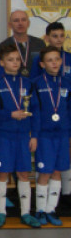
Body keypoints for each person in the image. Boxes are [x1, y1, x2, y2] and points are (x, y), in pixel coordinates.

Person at [0, 43, 39, 228]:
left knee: (24, 173)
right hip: (4, 136)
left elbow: (36, 112)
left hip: (23, 136)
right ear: (2, 62)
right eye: (10, 60)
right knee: (3, 173)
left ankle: (25, 213)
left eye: (17, 59)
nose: (15, 63)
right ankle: (0, 213)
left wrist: (34, 136)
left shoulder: (28, 84)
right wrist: (10, 115)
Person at [31, 46, 70, 226]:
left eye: (57, 59)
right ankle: (40, 210)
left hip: (62, 134)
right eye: (49, 60)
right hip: (44, 135)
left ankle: (51, 209)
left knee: (57, 171)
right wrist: (34, 135)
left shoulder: (67, 83)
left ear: (61, 61)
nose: (54, 63)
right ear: (42, 64)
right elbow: (35, 112)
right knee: (45, 172)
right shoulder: (36, 84)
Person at [0, 10, 46, 77]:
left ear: (28, 23)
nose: (20, 23)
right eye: (16, 20)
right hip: (12, 82)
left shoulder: (40, 44)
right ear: (10, 25)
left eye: (23, 20)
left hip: (36, 82)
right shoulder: (3, 46)